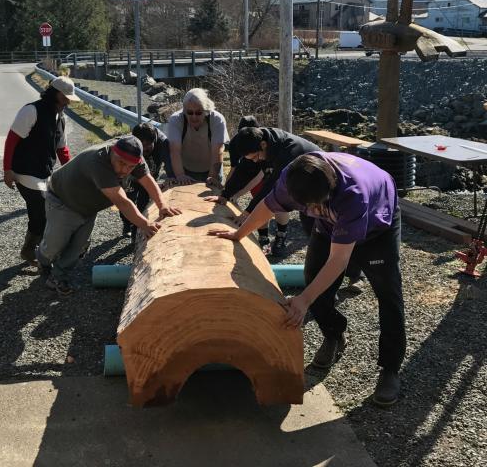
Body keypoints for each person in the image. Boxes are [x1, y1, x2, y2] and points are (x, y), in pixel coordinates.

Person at [209, 151, 405, 407]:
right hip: (331, 223)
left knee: (387, 293)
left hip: (378, 226)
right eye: (306, 207)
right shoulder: (294, 177)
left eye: (315, 206)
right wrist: (239, 234)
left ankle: (390, 369)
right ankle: (334, 334)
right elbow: (268, 206)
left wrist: (303, 300)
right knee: (313, 278)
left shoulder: (353, 195)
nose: (311, 211)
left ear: (331, 185)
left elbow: (339, 260)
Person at [36, 135, 181, 296]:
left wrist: (163, 205)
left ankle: (58, 277)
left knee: (77, 246)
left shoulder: (134, 158)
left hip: (88, 206)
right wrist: (145, 224)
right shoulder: (98, 161)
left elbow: (148, 181)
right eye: (121, 163)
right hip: (63, 201)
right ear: (113, 151)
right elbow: (122, 201)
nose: (125, 170)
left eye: (130, 167)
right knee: (54, 245)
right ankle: (42, 259)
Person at [207, 126, 319, 258]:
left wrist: (247, 213)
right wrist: (225, 195)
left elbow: (271, 188)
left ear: (263, 144)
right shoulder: (258, 142)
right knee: (312, 232)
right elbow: (244, 170)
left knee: (318, 233)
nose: (255, 160)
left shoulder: (288, 152)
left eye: (256, 157)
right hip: (303, 188)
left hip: (320, 186)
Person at [3, 76, 77, 265]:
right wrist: (7, 170)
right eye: (66, 97)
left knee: (42, 213)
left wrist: (71, 173)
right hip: (24, 171)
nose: (69, 102)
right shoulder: (31, 110)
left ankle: (32, 251)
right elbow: (12, 140)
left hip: (44, 172)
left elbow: (62, 149)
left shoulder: (60, 117)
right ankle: (39, 253)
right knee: (42, 212)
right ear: (57, 94)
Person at [120, 122, 174, 238]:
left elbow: (169, 163)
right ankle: (126, 223)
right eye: (142, 145)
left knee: (143, 205)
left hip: (150, 177)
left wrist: (171, 177)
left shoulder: (163, 143)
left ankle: (136, 232)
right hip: (131, 176)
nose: (144, 149)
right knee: (128, 200)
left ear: (154, 140)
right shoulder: (130, 142)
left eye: (148, 145)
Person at [167, 88, 229, 186]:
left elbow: (218, 150)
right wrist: (180, 175)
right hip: (185, 169)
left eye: (199, 113)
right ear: (184, 110)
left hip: (212, 169)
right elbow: (174, 150)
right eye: (190, 113)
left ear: (206, 110)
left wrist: (212, 176)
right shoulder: (175, 120)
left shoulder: (217, 119)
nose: (194, 117)